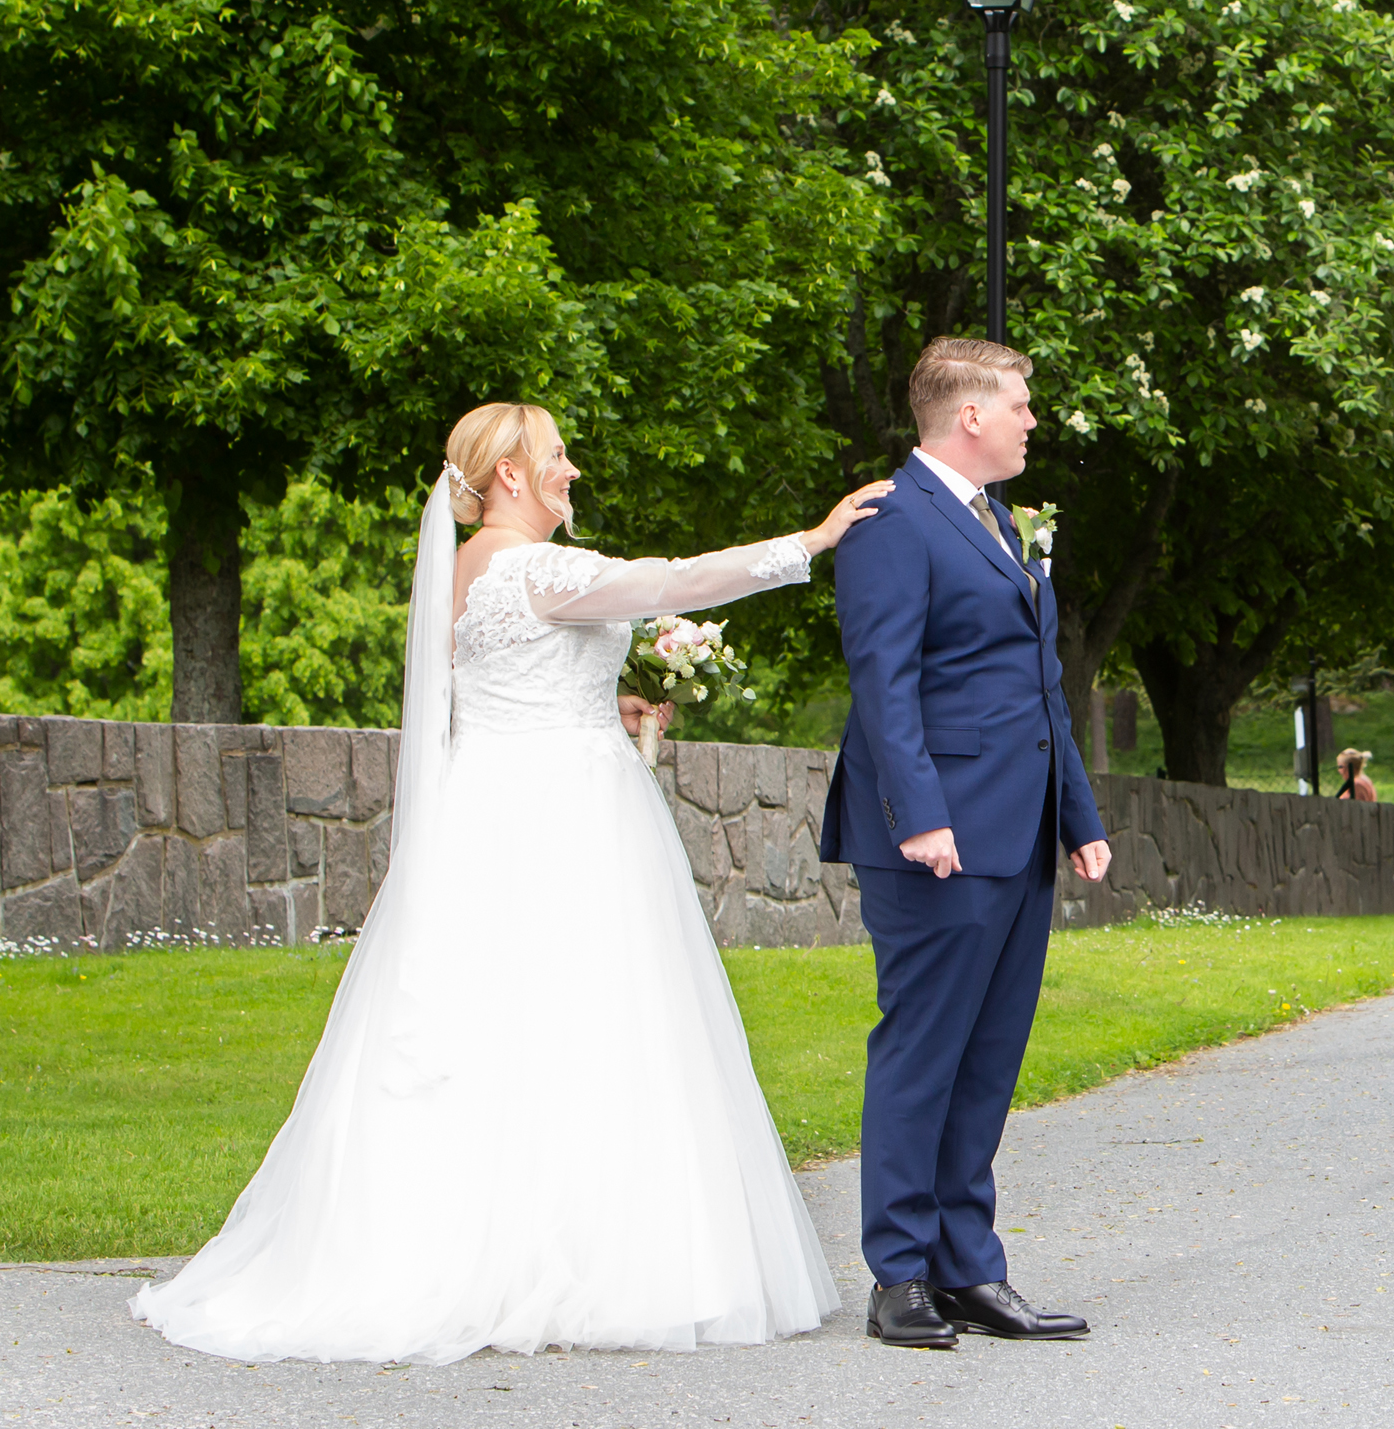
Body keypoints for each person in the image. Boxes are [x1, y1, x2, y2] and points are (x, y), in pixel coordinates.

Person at [130, 403, 889, 1365]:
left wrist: (605, 699)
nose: (573, 469)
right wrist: (810, 541)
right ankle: (573, 1257)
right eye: (558, 455)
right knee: (579, 1017)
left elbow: (499, 682)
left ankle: (493, 1241)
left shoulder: (469, 569)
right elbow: (670, 580)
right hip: (561, 815)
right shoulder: (532, 567)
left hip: (495, 802)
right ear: (512, 476)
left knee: (507, 1019)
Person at [821, 338, 1113, 1351]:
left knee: (987, 1057)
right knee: (923, 1050)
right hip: (936, 835)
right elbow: (883, 679)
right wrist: (919, 814)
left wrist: (1078, 815)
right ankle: (899, 1273)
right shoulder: (892, 520)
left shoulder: (1000, 521)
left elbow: (1042, 686)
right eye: (1021, 403)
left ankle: (967, 1267)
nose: (1033, 420)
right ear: (970, 414)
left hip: (1016, 829)